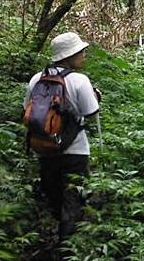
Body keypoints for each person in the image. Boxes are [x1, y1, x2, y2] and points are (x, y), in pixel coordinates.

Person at [23, 31, 101, 242]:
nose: (84, 55)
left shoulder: (36, 79)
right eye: (81, 52)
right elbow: (92, 114)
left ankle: (59, 233)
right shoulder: (79, 80)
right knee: (73, 199)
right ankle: (67, 246)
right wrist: (96, 97)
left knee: (55, 196)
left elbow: (27, 112)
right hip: (75, 151)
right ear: (69, 55)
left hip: (45, 149)